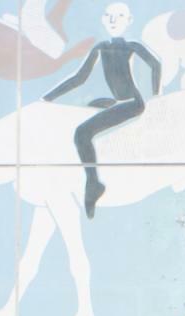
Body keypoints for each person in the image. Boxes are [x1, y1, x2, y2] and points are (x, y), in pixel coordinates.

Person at [40, 2, 162, 218]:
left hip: (132, 103)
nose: (113, 20)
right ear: (103, 19)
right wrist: (49, 97)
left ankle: (93, 183)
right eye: (108, 15)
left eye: (119, 16)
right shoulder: (100, 48)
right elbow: (79, 78)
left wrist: (156, 97)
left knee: (82, 133)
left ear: (129, 20)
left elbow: (156, 64)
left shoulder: (131, 46)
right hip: (116, 102)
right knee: (88, 107)